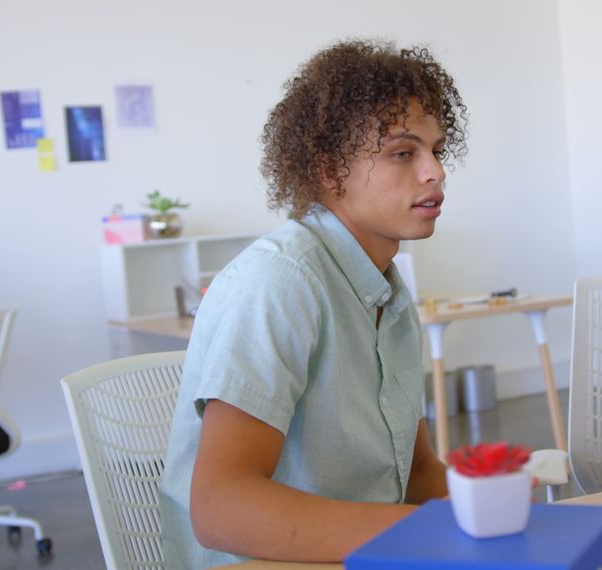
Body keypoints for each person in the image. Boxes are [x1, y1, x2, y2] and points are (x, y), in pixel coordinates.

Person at [159, 39, 467, 568]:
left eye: (436, 150)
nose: (434, 171)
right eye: (402, 153)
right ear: (329, 172)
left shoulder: (386, 292)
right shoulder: (282, 280)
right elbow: (220, 509)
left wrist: (493, 509)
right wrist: (422, 534)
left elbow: (415, 473)